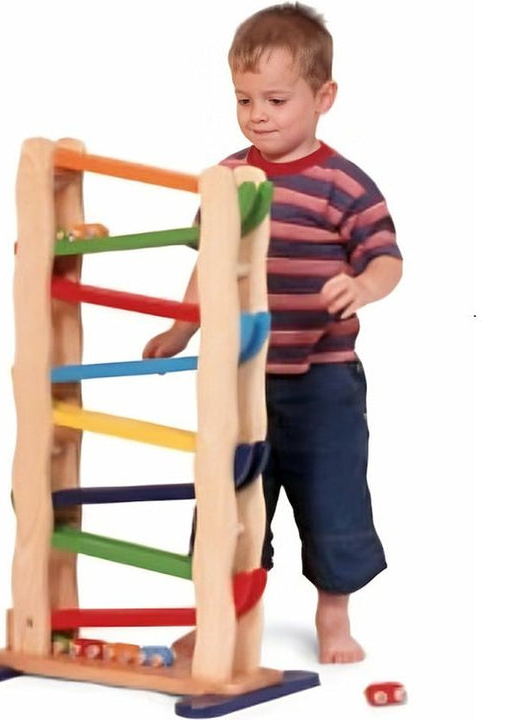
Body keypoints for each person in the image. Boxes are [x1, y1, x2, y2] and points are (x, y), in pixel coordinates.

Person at [142, 3, 402, 664]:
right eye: (244, 99)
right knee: (226, 501)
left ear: (323, 98)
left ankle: (334, 619)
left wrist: (362, 286)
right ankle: (220, 619)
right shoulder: (228, 178)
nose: (257, 114)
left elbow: (387, 259)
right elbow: (209, 264)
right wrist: (181, 328)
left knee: (332, 497)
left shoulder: (343, 184)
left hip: (321, 382)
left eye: (276, 100)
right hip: (240, 376)